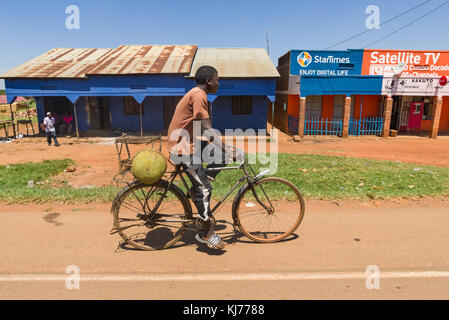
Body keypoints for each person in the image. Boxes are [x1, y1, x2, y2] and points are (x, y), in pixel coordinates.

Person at [167, 65, 236, 250]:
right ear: (209, 81)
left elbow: (203, 129)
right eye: (217, 79)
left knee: (221, 155)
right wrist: (227, 148)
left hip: (189, 143)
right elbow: (205, 128)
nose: (218, 83)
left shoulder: (197, 94)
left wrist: (224, 148)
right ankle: (205, 234)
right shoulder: (199, 96)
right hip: (182, 150)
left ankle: (196, 189)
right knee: (205, 188)